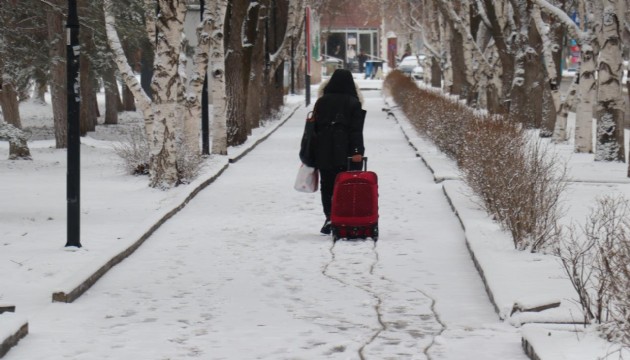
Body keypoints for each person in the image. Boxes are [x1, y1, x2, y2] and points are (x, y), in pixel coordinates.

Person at [306, 69, 366, 235]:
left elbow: (315, 128)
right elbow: (356, 131)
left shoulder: (322, 102)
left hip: (323, 150)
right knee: (346, 184)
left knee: (327, 185)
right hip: (346, 150)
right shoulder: (353, 103)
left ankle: (329, 216)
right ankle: (343, 216)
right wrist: (357, 151)